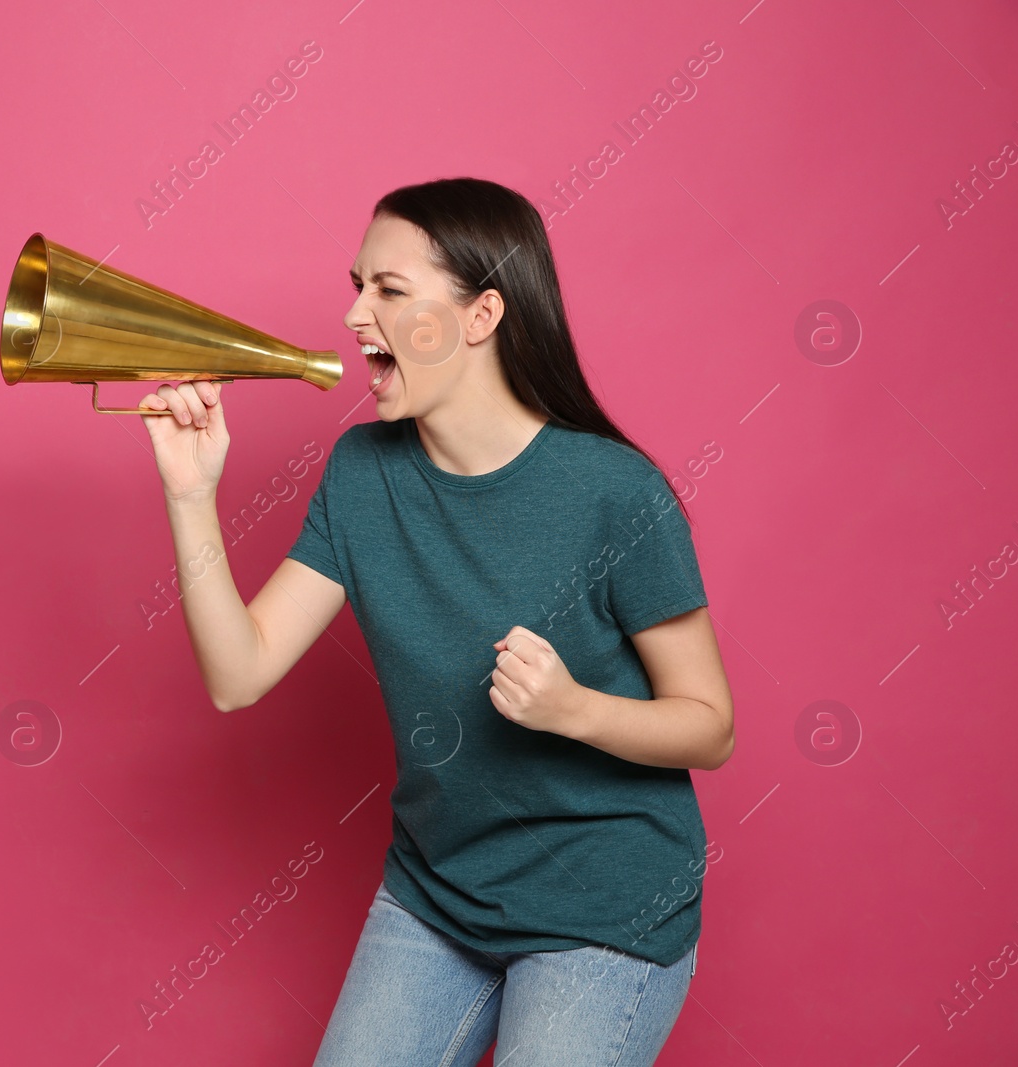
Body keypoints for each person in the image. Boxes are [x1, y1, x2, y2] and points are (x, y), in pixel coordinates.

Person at [137, 176, 734, 1066]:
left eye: (388, 289)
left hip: (606, 910)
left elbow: (710, 726)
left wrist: (574, 709)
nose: (352, 316)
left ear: (481, 313)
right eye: (356, 285)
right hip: (439, 895)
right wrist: (192, 496)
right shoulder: (363, 472)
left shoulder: (614, 492)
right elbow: (239, 673)